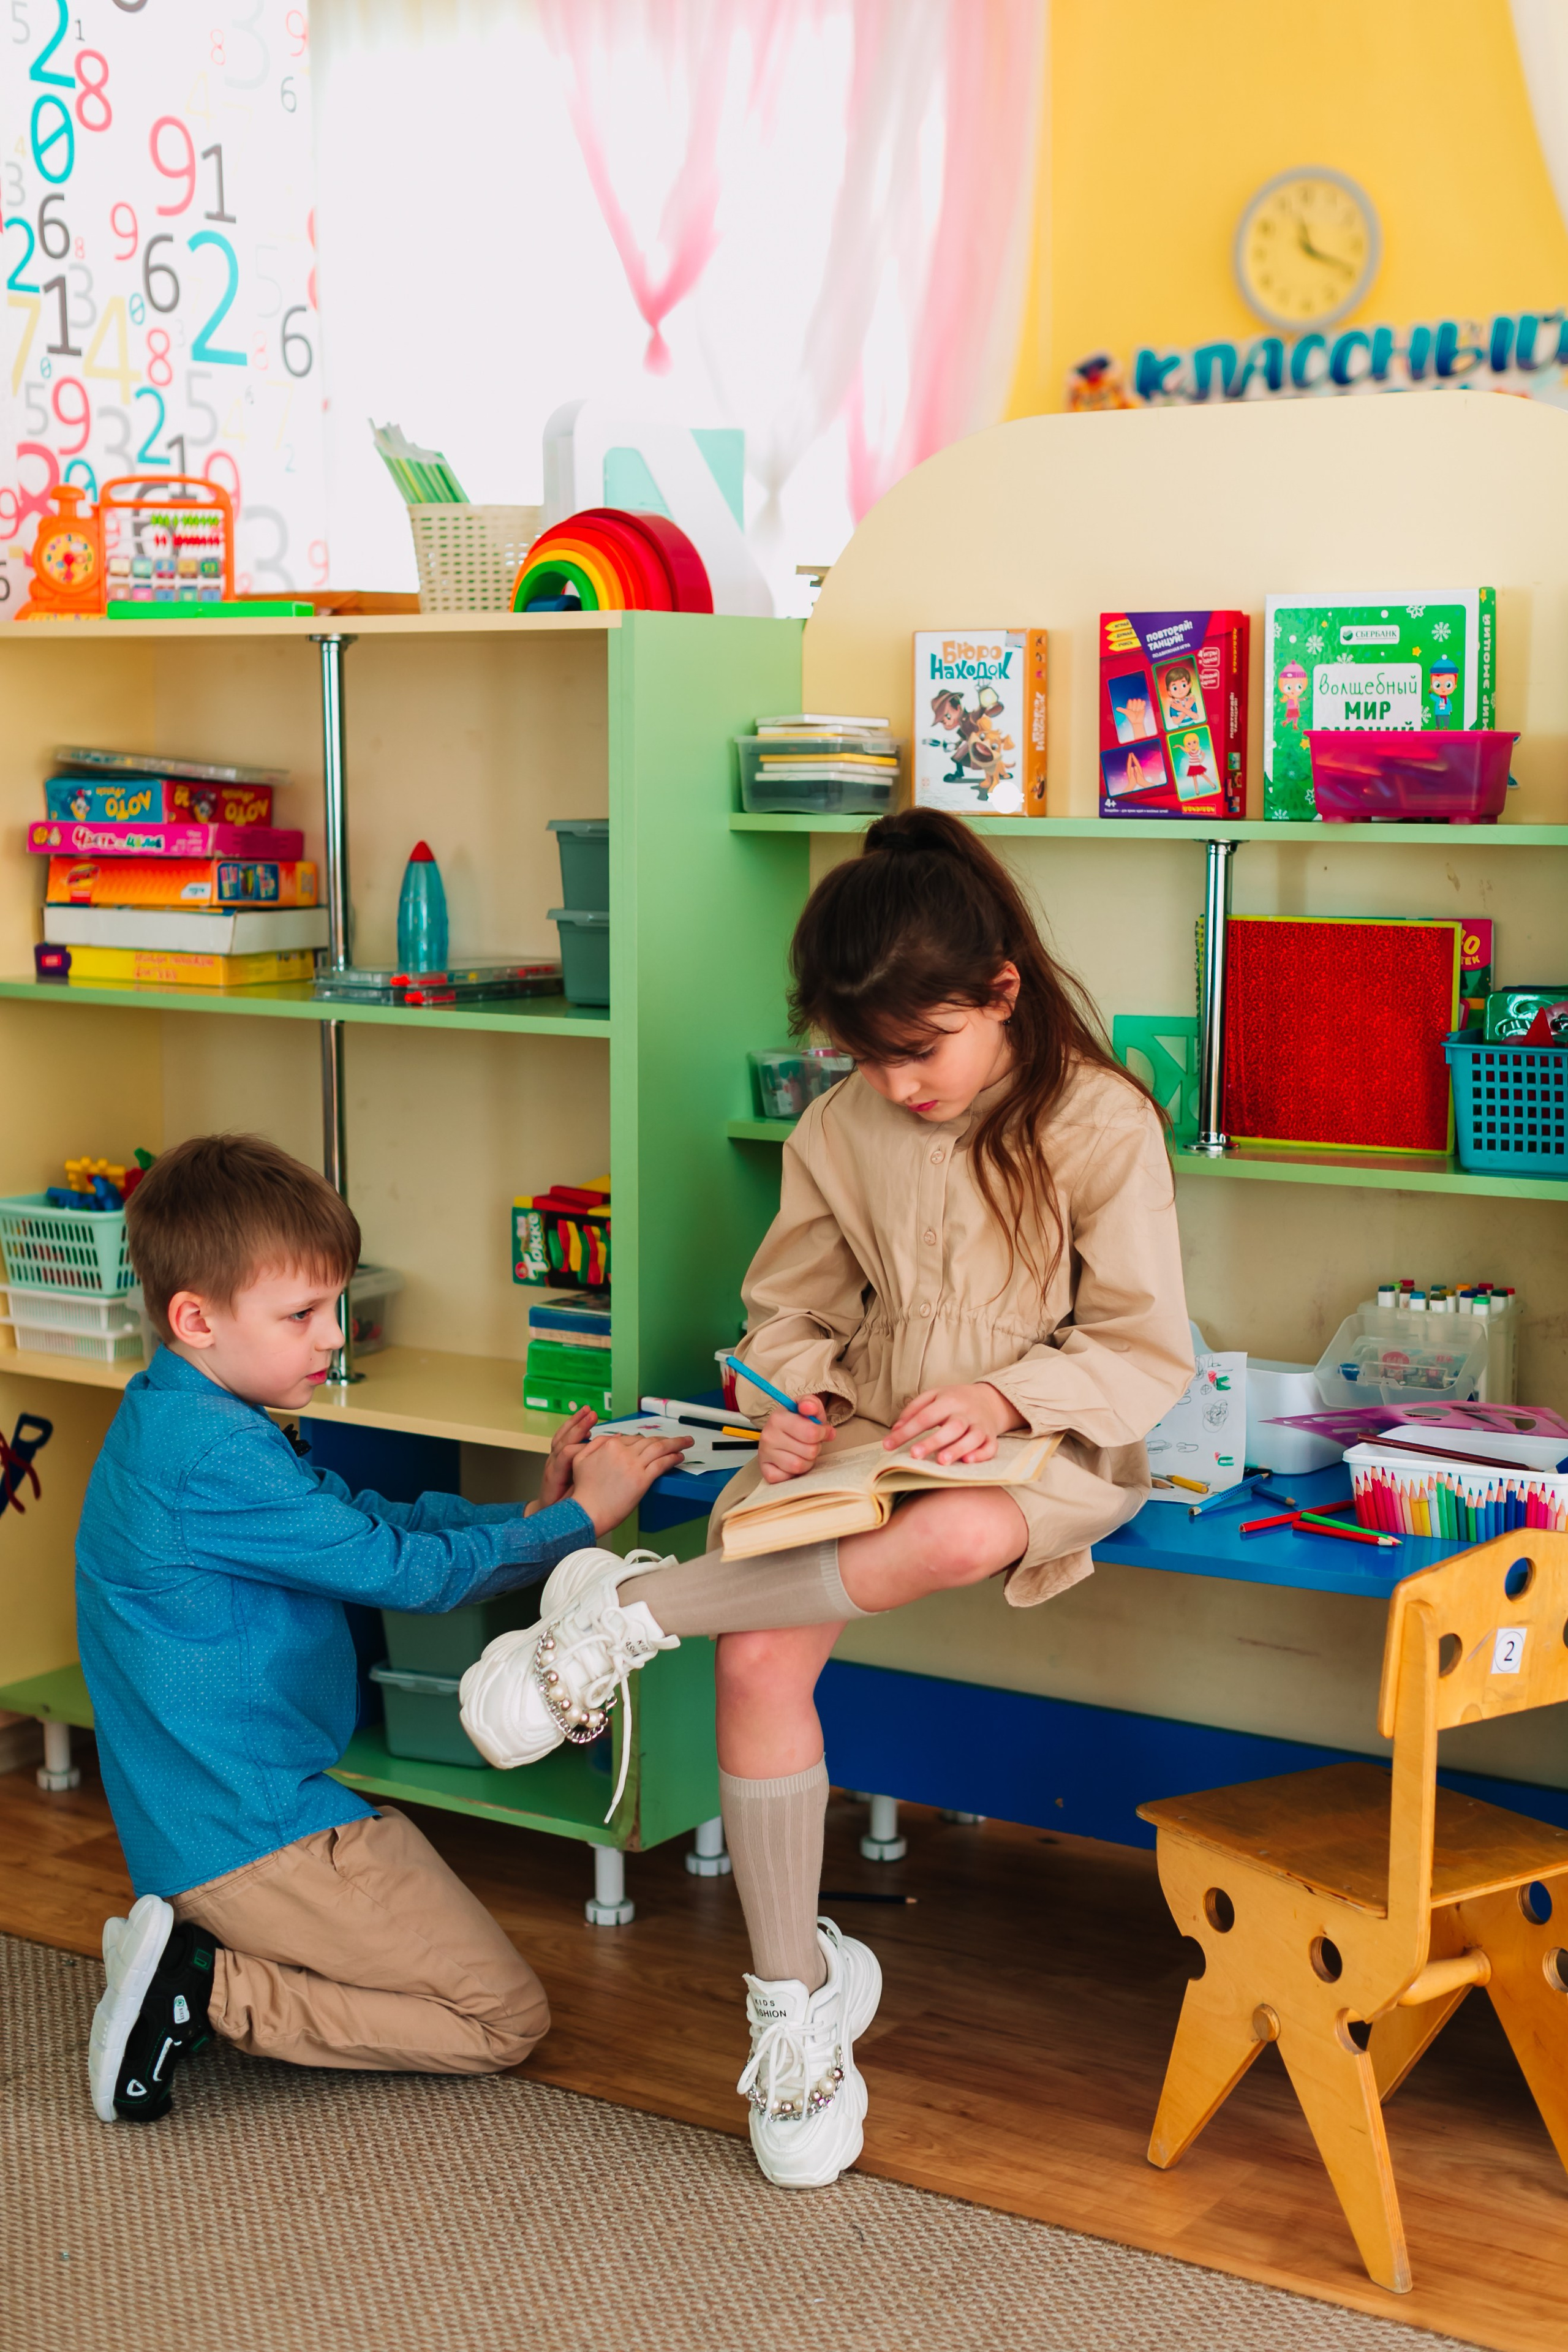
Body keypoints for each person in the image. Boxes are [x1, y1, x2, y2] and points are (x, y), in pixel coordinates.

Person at [461, 810, 1194, 2191]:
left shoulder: (1100, 1120)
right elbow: (785, 1313)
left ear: (1001, 992)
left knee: (957, 1529)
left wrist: (1003, 1400)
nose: (898, 1084)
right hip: (865, 1427)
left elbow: (1144, 1347)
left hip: (1042, 1435)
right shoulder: (841, 1123)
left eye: (923, 1050)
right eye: (868, 1058)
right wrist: (788, 1399)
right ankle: (794, 2003)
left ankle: (633, 1613)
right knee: (757, 1659)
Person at [81, 1133, 687, 2126]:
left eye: (335, 1305)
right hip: (252, 1835)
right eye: (301, 1315)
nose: (333, 1337)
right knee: (504, 2019)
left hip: (211, 1815)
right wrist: (581, 1523)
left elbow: (362, 1520)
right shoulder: (210, 1457)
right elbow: (406, 1574)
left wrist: (536, 1517)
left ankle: (195, 1960)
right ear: (196, 1318)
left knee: (448, 1967)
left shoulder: (183, 1414)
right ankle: (202, 1990)